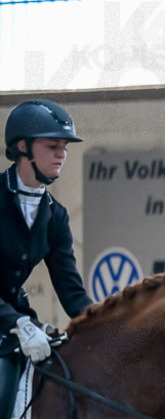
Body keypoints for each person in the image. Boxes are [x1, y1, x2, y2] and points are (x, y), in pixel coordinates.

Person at [1, 99, 91, 364]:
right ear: (23, 146)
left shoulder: (56, 216)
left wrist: (105, 327)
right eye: (53, 146)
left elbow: (72, 293)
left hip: (18, 322)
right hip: (13, 323)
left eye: (64, 147)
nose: (62, 154)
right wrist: (19, 323)